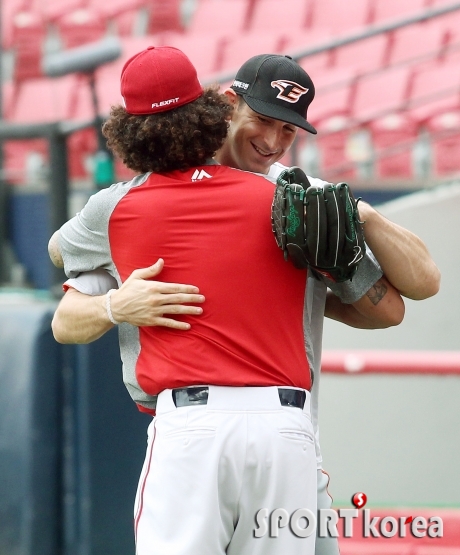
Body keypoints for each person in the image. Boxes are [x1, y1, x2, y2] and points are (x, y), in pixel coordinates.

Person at [49, 51, 440, 555]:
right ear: (227, 103)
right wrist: (118, 304)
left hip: (228, 431)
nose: (274, 142)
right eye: (264, 120)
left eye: (289, 131)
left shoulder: (302, 199)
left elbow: (412, 293)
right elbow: (67, 308)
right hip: (280, 433)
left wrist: (357, 212)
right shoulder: (137, 205)